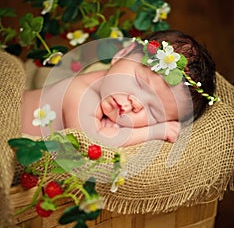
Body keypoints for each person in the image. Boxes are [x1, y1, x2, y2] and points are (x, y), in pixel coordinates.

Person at [21, 30, 218, 147]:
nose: (136, 103)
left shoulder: (107, 90)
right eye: (140, 82)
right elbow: (93, 141)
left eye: (153, 112)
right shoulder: (79, 93)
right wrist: (155, 130)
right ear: (121, 54)